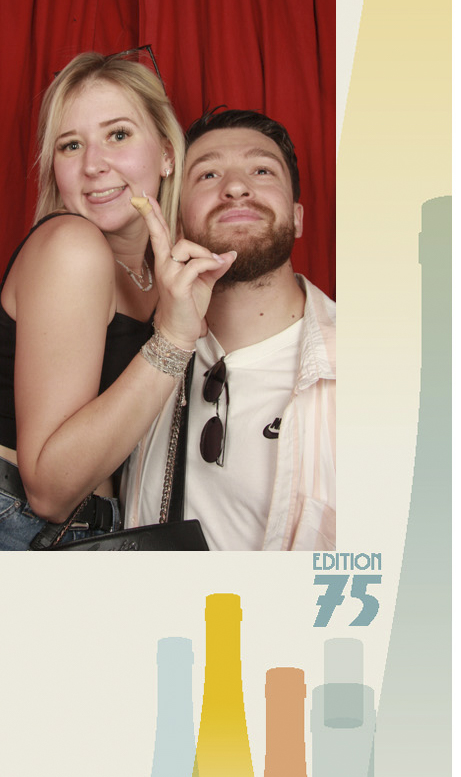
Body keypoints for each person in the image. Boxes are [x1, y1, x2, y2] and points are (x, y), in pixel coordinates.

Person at [0, 52, 235, 550]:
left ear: (166, 154)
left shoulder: (158, 276)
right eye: (70, 145)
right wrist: (175, 338)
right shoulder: (72, 245)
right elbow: (51, 491)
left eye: (118, 135)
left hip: (83, 533)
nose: (93, 165)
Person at [123, 109, 336, 550]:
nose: (236, 187)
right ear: (179, 222)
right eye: (208, 174)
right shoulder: (135, 351)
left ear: (298, 218)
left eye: (262, 170)